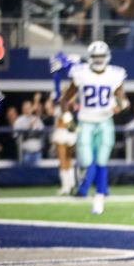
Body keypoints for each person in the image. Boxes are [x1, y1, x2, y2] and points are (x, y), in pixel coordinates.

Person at [59, 41, 129, 215]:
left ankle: (99, 193)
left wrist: (120, 105)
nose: (98, 60)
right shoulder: (81, 73)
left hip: (105, 121)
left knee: (102, 160)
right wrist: (68, 118)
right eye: (95, 57)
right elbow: (64, 100)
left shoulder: (115, 74)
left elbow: (123, 100)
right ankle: (89, 187)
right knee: (86, 160)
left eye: (101, 56)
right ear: (90, 58)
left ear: (107, 57)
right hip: (86, 121)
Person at [49, 52, 79, 195]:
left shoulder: (66, 98)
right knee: (68, 159)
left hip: (64, 130)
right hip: (70, 130)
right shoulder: (64, 97)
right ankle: (70, 183)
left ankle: (67, 186)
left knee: (63, 159)